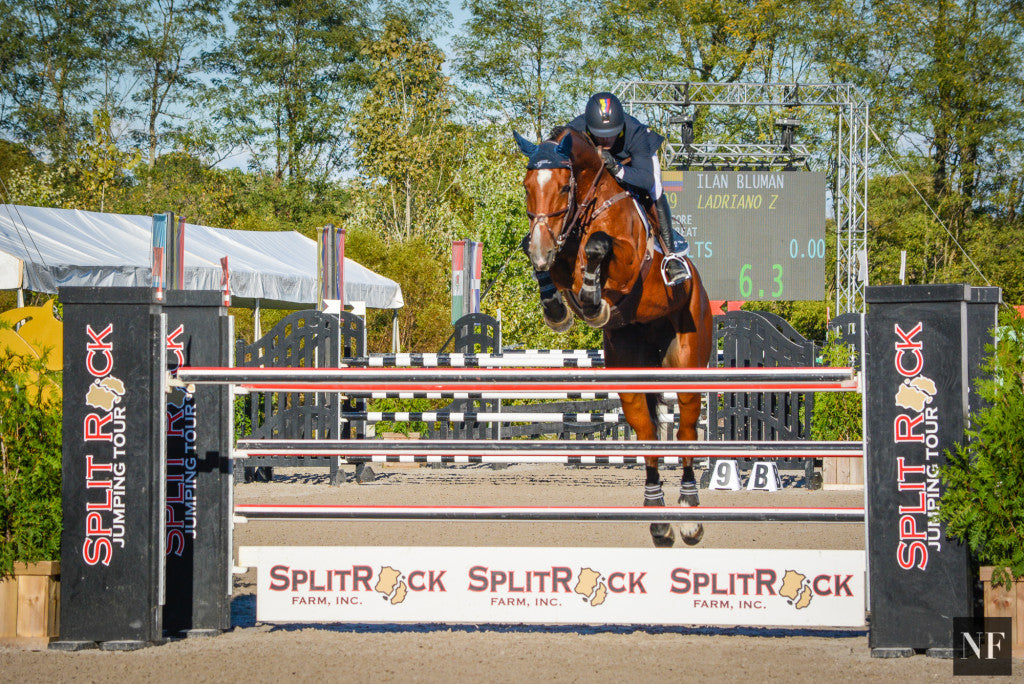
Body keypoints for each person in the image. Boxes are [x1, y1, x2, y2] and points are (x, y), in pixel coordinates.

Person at [568, 91, 690, 285]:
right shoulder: (576, 129)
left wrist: (616, 168)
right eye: (600, 135)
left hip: (635, 167)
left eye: (611, 134)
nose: (606, 140)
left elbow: (646, 180)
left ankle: (671, 255)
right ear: (589, 128)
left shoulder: (636, 133)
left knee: (656, 189)